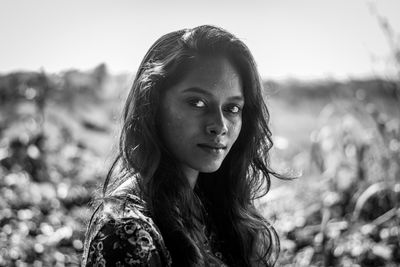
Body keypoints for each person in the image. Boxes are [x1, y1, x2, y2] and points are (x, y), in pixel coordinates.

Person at [82, 25, 283, 267]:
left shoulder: (216, 205)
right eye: (197, 102)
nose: (219, 126)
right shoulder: (127, 232)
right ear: (152, 104)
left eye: (232, 108)